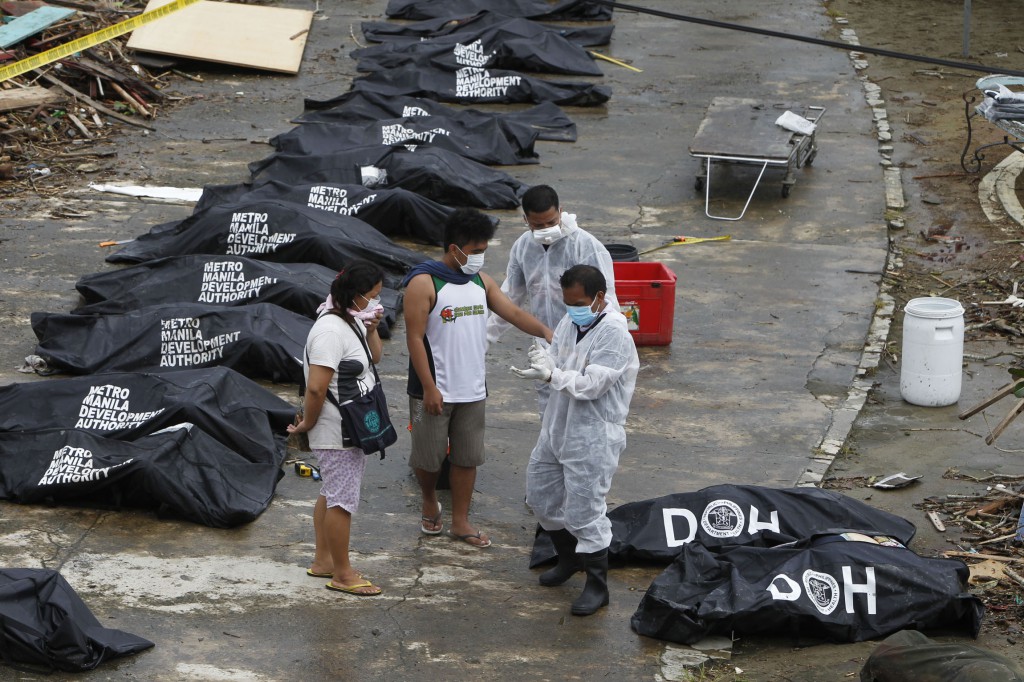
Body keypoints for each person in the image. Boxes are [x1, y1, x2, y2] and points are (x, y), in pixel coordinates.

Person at [403, 208, 553, 548]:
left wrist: (545, 331)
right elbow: (413, 338)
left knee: (468, 458)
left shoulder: (480, 282)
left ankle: (460, 521)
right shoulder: (423, 283)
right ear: (454, 247)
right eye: (475, 251)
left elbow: (512, 312)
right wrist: (428, 387)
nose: (480, 257)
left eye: (484, 250)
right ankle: (429, 500)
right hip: (433, 388)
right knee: (428, 459)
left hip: (472, 389)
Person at [511, 264, 639, 616]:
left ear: (600, 297)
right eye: (567, 302)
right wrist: (543, 360)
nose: (572, 309)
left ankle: (598, 587)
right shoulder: (572, 322)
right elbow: (561, 357)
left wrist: (552, 374)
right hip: (556, 429)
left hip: (593, 437)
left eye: (579, 302)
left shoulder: (614, 334)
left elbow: (592, 386)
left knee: (585, 513)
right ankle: (568, 560)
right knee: (540, 497)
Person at [287, 260, 387, 597]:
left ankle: (324, 561)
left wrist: (372, 327)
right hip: (336, 429)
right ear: (353, 295)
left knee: (331, 492)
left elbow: (374, 358)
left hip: (347, 425)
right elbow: (316, 387)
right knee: (342, 501)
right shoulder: (329, 331)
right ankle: (343, 574)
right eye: (371, 297)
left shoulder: (351, 320)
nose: (375, 302)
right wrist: (309, 424)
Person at [487, 184, 617, 412]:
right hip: (547, 346)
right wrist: (481, 340)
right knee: (549, 412)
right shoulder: (523, 248)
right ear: (525, 220)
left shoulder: (586, 246)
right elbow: (508, 300)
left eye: (551, 222)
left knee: (583, 407)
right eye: (538, 225)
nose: (546, 229)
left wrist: (603, 344)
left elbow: (606, 301)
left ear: (560, 211)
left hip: (583, 343)